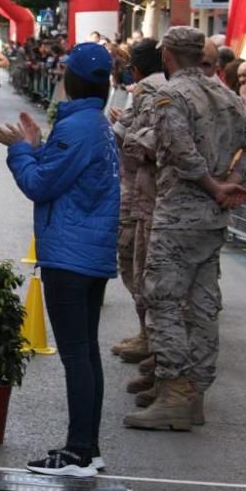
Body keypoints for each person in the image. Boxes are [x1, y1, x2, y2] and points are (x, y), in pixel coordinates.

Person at [123, 27, 246, 431]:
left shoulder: (172, 96)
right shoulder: (225, 94)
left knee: (165, 301)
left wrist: (214, 183)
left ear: (168, 56)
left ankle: (174, 390)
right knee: (203, 305)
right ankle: (194, 391)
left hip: (178, 215)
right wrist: (235, 180)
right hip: (212, 219)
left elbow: (179, 151)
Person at [0, 42, 120, 477]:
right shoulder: (93, 124)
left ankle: (80, 451)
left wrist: (19, 149)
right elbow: (65, 173)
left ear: (70, 79)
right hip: (89, 252)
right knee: (86, 354)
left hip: (70, 255)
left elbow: (40, 184)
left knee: (77, 356)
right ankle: (88, 448)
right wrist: (37, 143)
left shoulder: (79, 127)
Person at [109, 39, 168, 371]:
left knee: (135, 262)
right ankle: (148, 336)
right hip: (149, 192)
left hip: (140, 192)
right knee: (141, 265)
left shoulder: (147, 89)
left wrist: (125, 128)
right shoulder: (165, 87)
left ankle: (153, 340)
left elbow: (142, 141)